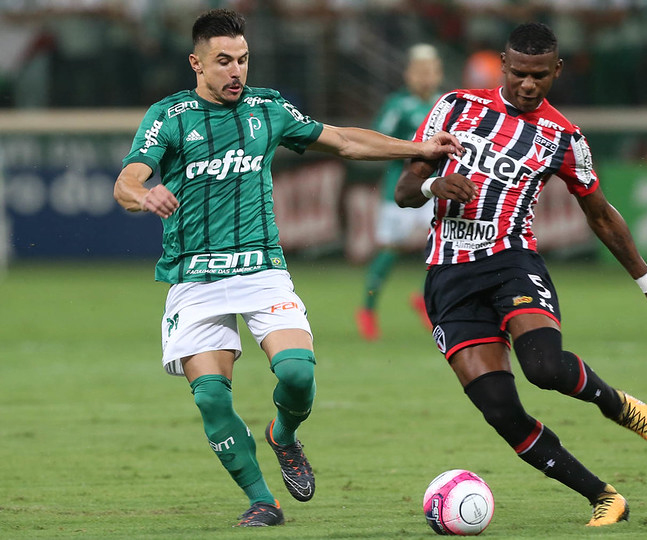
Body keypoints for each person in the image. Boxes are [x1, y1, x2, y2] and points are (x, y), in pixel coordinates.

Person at [113, 8, 462, 528]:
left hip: (262, 271)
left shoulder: (267, 109)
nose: (236, 71)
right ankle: (262, 500)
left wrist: (419, 148)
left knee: (297, 374)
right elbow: (126, 182)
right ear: (197, 64)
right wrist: (146, 193)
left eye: (243, 60)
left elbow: (342, 140)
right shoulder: (169, 116)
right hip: (194, 278)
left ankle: (284, 435)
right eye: (223, 61)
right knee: (211, 397)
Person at [395, 22, 647, 528]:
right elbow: (404, 190)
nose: (528, 85)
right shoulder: (454, 107)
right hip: (449, 277)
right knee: (499, 410)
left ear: (556, 70)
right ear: (502, 65)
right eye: (518, 73)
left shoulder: (563, 136)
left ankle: (615, 404)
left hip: (512, 262)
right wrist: (434, 187)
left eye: (539, 75)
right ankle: (605, 497)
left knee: (544, 367)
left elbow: (600, 213)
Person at [356, 43, 443, 341]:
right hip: (400, 188)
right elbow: (380, 139)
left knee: (443, 244)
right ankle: (368, 308)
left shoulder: (443, 104)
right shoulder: (397, 105)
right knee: (390, 250)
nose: (425, 77)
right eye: (419, 71)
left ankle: (426, 298)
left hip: (432, 188)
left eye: (430, 71)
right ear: (408, 74)